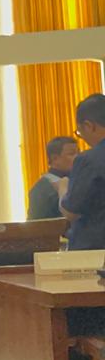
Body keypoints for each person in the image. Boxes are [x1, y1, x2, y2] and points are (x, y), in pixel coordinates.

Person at [60, 93, 105, 250]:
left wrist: (63, 189)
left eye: (79, 132)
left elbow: (71, 212)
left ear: (89, 126)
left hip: (95, 250)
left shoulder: (89, 160)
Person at [28, 136, 78, 221]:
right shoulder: (42, 189)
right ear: (55, 159)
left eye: (79, 152)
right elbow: (35, 224)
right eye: (72, 154)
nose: (78, 157)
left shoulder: (77, 179)